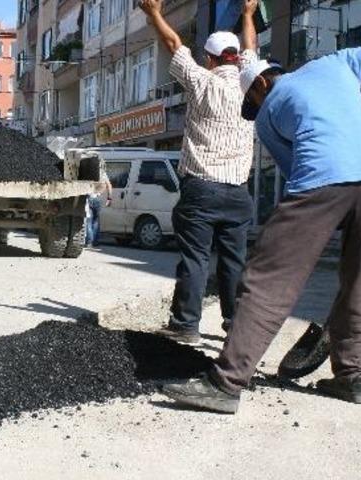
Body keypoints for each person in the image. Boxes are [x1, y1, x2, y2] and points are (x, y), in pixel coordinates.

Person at [160, 14, 361, 413]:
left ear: (261, 83)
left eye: (252, 102)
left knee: (269, 276)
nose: (254, 110)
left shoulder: (269, 110)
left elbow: (305, 176)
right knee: (357, 280)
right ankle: (351, 377)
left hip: (323, 178)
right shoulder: (336, 64)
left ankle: (226, 383)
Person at [139, 0, 256, 344]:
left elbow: (175, 46)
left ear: (210, 58)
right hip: (238, 192)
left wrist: (154, 13)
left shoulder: (201, 81)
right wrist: (248, 15)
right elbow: (251, 46)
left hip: (202, 189)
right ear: (234, 58)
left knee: (196, 259)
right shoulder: (250, 83)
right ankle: (235, 325)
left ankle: (186, 325)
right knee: (234, 262)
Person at [85, 177, 112, 248]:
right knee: (96, 221)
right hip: (98, 198)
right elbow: (109, 185)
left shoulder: (89, 172)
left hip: (89, 197)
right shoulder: (103, 174)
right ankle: (96, 241)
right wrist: (109, 198)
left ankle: (89, 242)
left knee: (89, 221)